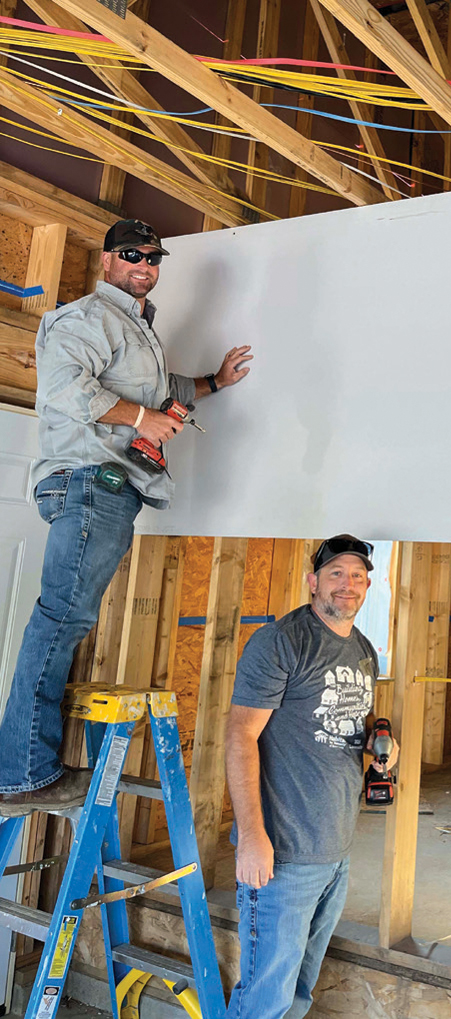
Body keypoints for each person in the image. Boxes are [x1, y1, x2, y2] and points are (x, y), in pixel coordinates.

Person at [0, 218, 252, 815]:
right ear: (107, 261)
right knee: (60, 619)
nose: (145, 264)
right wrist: (140, 421)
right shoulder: (84, 319)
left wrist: (214, 382)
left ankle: (20, 767)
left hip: (108, 486)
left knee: (64, 618)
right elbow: (65, 390)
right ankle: (21, 772)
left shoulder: (136, 328)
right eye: (131, 254)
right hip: (90, 480)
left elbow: (162, 390)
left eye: (153, 257)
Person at [225, 534, 399, 1019]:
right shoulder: (282, 641)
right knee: (266, 997)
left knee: (299, 990)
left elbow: (346, 726)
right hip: (283, 854)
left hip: (335, 851)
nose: (348, 585)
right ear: (313, 582)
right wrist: (252, 837)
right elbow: (240, 737)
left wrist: (379, 746)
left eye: (358, 576)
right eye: (336, 574)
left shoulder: (363, 649)